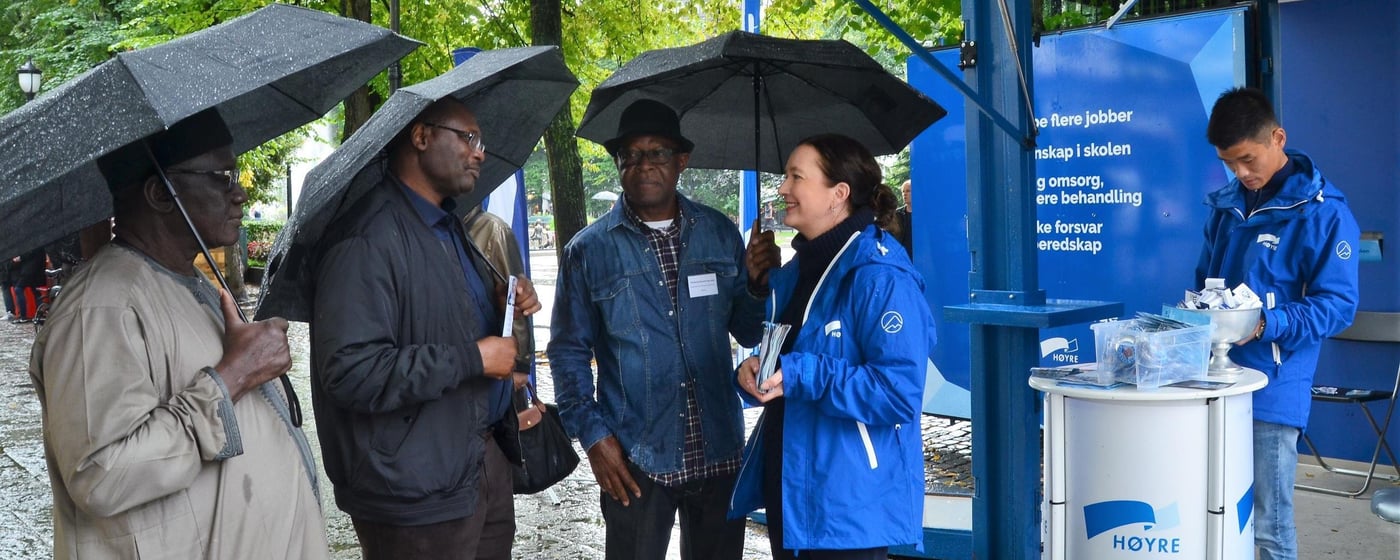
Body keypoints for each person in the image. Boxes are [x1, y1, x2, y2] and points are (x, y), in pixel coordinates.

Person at [29, 108, 327, 559]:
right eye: (222, 176)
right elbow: (101, 475)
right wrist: (231, 378)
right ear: (159, 192)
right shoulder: (101, 309)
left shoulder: (183, 279)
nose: (240, 193)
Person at [309, 97, 539, 560]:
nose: (480, 153)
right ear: (421, 137)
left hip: (476, 463)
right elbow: (351, 372)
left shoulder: (447, 226)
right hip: (412, 495)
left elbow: (441, 323)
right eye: (469, 138)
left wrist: (503, 306)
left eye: (482, 142)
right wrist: (474, 358)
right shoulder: (366, 239)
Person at [548, 98, 772, 560]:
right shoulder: (588, 251)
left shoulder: (718, 233)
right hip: (636, 457)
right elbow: (567, 353)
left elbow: (749, 334)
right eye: (630, 155)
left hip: (718, 450)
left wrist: (755, 284)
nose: (642, 165)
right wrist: (593, 437)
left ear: (681, 161)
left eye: (657, 153)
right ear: (618, 164)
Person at [731, 133, 934, 559]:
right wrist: (755, 367)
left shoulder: (880, 276)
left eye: (795, 176)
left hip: (847, 508)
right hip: (792, 490)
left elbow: (898, 393)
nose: (783, 188)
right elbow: (779, 356)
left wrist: (803, 375)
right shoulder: (794, 274)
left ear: (837, 194)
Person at [1197, 87, 1359, 560]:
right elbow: (1203, 282)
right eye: (1230, 164)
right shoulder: (1225, 207)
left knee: (1267, 522)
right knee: (1214, 508)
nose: (1242, 174)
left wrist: (1269, 322)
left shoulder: (1324, 212)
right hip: (1213, 378)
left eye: (1248, 159)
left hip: (1273, 385)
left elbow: (1338, 306)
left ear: (1278, 137)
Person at [893, 178, 914, 251]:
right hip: (902, 256)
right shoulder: (896, 214)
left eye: (908, 191)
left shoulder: (922, 215)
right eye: (903, 191)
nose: (904, 194)